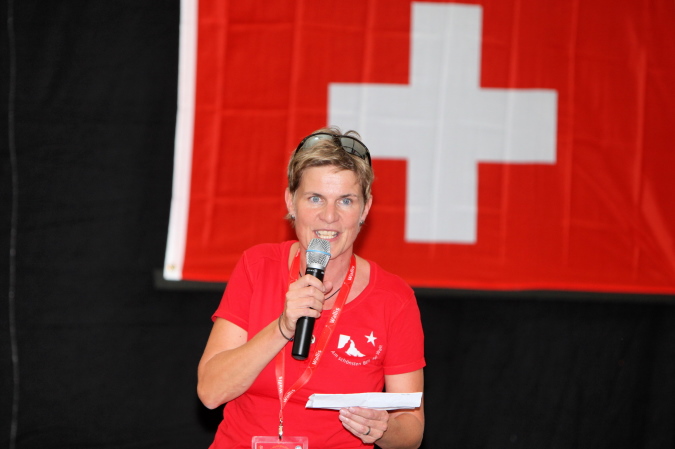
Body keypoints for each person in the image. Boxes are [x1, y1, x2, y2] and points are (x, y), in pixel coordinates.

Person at [197, 127, 425, 449]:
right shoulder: (257, 265)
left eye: (346, 200)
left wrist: (383, 429)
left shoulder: (394, 298)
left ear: (365, 209)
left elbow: (412, 429)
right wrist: (282, 327)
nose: (329, 216)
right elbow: (210, 392)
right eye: (315, 198)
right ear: (291, 202)